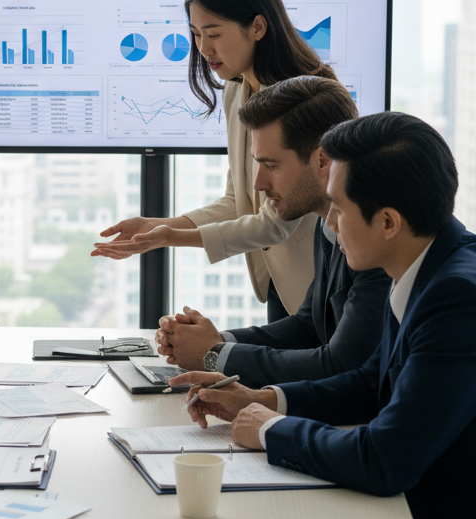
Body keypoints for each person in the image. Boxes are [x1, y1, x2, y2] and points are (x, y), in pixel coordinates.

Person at [181, 113, 476, 519]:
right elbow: (373, 383)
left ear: (388, 221)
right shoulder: (422, 265)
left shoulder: (456, 296)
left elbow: (386, 458)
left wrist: (269, 432)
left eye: (338, 208)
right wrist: (267, 399)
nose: (330, 224)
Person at [93, 0, 339, 321]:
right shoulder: (236, 91)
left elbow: (273, 221)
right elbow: (237, 201)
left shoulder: (302, 101)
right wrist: (158, 224)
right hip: (278, 283)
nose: (203, 48)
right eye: (195, 33)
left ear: (257, 26)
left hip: (317, 283)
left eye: (214, 33)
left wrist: (167, 238)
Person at [155, 76, 390, 386]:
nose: (259, 184)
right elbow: (308, 327)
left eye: (271, 165)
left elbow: (340, 364)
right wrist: (212, 339)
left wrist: (214, 354)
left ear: (322, 160)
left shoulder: (375, 236)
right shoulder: (328, 221)